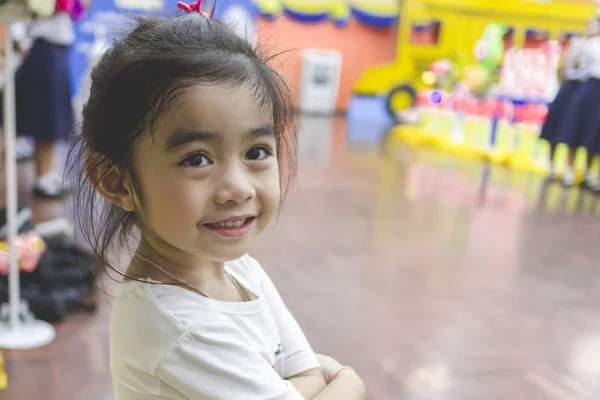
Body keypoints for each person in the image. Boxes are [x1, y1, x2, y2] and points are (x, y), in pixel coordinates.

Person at [67, 6, 366, 400]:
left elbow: (306, 368)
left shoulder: (240, 270)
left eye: (257, 152)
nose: (237, 189)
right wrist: (349, 379)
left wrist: (306, 381)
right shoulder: (179, 326)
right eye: (197, 159)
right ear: (116, 179)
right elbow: (315, 373)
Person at [556, 15, 600, 188]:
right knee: (577, 128)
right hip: (586, 87)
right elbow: (572, 68)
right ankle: (569, 170)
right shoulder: (584, 44)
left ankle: (589, 174)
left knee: (595, 133)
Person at [539, 33, 586, 179]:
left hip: (584, 89)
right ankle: (552, 165)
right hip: (568, 87)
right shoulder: (577, 43)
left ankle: (570, 168)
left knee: (575, 130)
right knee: (556, 125)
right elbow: (562, 67)